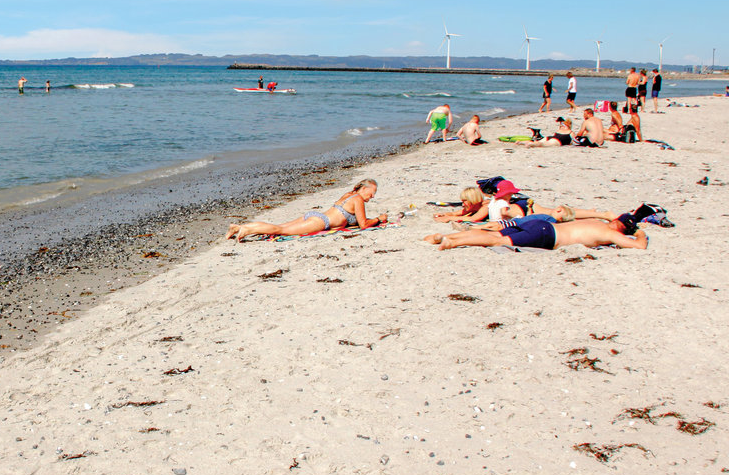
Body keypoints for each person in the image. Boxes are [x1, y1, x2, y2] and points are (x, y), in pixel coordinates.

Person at [226, 179, 389, 242]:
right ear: (364, 189)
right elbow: (363, 224)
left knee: (278, 227)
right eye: (372, 192)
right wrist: (379, 219)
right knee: (280, 229)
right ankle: (245, 230)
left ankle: (238, 227)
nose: (372, 196)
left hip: (316, 216)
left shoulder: (350, 194)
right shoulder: (358, 199)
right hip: (321, 222)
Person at [424, 214, 648, 251]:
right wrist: (640, 234)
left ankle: (450, 237)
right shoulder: (610, 234)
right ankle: (452, 242)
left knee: (497, 235)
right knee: (496, 240)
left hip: (541, 224)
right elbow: (639, 246)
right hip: (547, 236)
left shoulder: (596, 221)